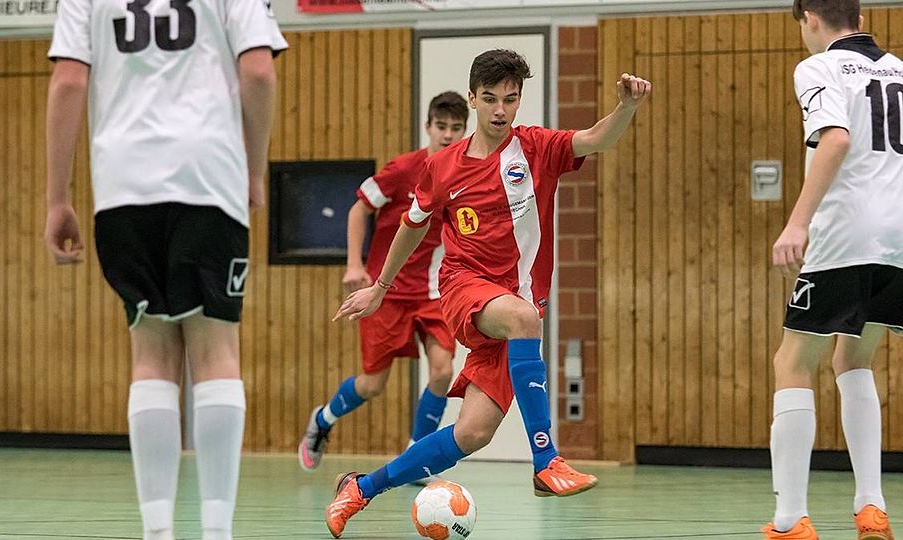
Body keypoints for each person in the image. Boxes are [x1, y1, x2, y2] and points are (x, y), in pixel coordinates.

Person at [328, 49, 650, 538]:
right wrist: (380, 287)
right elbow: (412, 226)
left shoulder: (537, 148)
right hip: (464, 288)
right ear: (473, 99)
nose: (501, 110)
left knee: (472, 433)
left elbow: (596, 138)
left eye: (511, 99)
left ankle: (360, 489)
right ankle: (546, 460)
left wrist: (626, 107)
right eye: (491, 99)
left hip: (515, 308)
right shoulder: (442, 166)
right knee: (523, 318)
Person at [44, 1, 286, 538]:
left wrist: (57, 198)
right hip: (208, 178)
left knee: (150, 355)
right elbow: (258, 71)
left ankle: (156, 532)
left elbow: (68, 82)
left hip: (123, 187)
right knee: (216, 352)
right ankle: (217, 531)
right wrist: (252, 169)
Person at [763, 2, 902, 538]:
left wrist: (797, 223)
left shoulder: (818, 66)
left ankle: (790, 520)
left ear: (810, 17)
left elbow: (836, 138)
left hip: (846, 233)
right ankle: (871, 507)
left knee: (793, 362)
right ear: (860, 18)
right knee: (854, 357)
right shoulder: (899, 70)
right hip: (897, 239)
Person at [298, 92, 468, 478]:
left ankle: (416, 458)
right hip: (385, 292)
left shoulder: (464, 175)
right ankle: (323, 420)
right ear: (428, 127)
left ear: (464, 131)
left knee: (443, 372)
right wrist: (354, 265)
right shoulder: (402, 170)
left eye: (456, 128)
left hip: (433, 293)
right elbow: (359, 208)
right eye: (441, 127)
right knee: (372, 384)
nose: (447, 135)